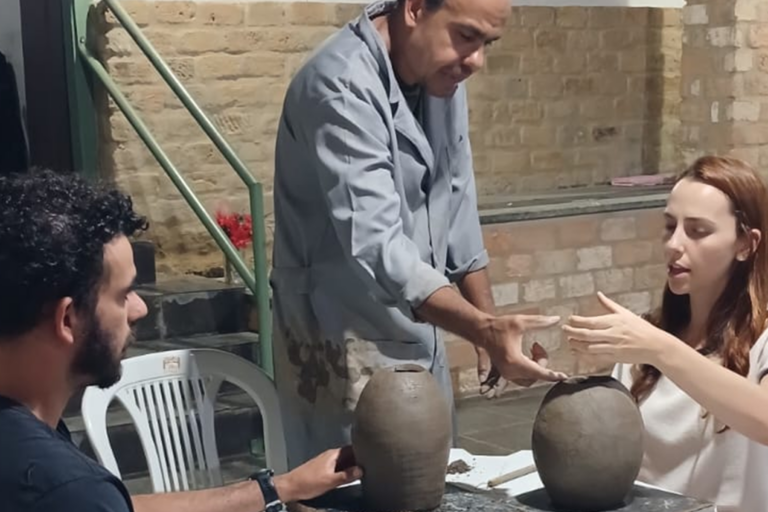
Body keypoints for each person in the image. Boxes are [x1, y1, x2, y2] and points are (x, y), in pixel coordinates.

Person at [270, 0, 567, 470]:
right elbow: (378, 246)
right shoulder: (341, 86)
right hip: (338, 338)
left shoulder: (441, 77)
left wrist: (487, 326)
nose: (476, 62)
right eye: (466, 36)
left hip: (415, 332)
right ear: (413, 9)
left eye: (487, 44)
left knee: (429, 477)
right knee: (350, 488)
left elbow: (457, 198)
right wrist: (482, 328)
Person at [0, 169, 361, 512]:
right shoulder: (62, 488)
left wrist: (280, 488)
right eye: (123, 294)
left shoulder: (42, 461)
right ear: (67, 319)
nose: (139, 308)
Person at [562, 156, 768, 512]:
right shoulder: (649, 337)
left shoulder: (760, 339)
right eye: (670, 226)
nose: (674, 244)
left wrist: (659, 349)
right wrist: (582, 377)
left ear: (745, 245)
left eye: (698, 231)